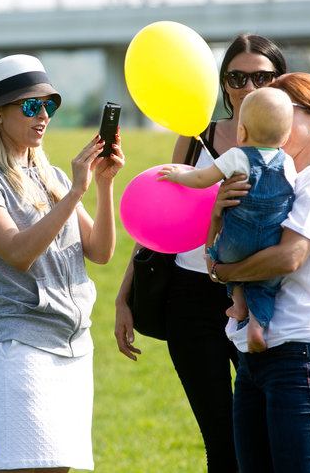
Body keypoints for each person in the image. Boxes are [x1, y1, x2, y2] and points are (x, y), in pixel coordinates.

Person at [115, 33, 287, 473]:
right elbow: (157, 222)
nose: (248, 88)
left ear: (279, 80)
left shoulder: (288, 147)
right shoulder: (197, 137)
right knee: (221, 438)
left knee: (267, 436)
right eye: (236, 77)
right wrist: (123, 298)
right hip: (190, 300)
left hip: (260, 299)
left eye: (261, 77)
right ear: (222, 83)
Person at [0, 54, 124, 473]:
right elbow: (16, 252)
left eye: (49, 104)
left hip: (73, 346)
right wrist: (74, 195)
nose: (43, 114)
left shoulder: (53, 176)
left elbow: (101, 251)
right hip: (21, 343)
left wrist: (102, 186)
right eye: (31, 105)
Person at [210, 72, 310, 473]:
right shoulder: (274, 181)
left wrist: (223, 271)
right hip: (254, 355)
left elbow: (288, 257)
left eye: (283, 110)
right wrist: (221, 212)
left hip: (301, 353)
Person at [158, 87, 296, 353]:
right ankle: (256, 325)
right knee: (265, 284)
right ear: (286, 135)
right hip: (270, 243)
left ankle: (238, 302)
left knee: (221, 258)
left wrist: (177, 175)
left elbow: (201, 179)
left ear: (241, 132)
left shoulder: (237, 156)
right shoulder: (288, 163)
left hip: (235, 242)